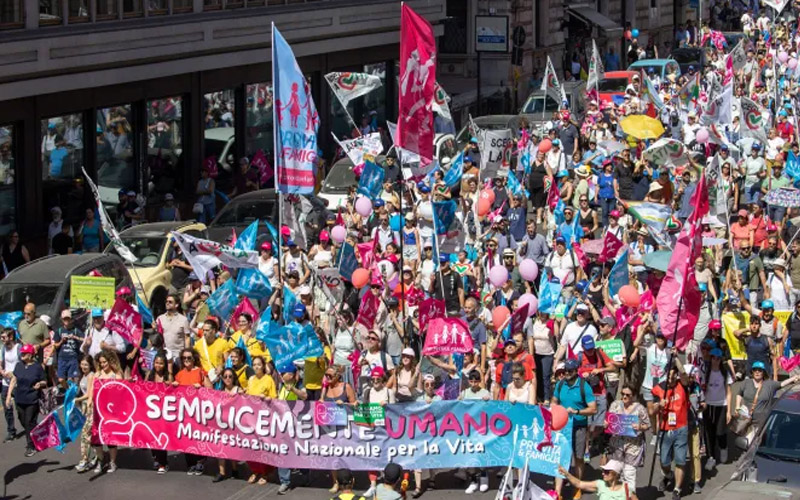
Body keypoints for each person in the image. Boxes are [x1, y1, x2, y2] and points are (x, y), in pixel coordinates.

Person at [552, 358, 597, 500]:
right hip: (563, 427)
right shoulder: (560, 384)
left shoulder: (584, 387)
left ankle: (577, 486)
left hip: (579, 427)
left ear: (576, 371)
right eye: (565, 370)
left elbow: (593, 409)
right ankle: (558, 491)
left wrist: (577, 412)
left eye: (570, 371)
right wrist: (554, 409)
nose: (566, 373)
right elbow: (554, 401)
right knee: (560, 456)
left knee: (578, 458)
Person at [651, 363, 691, 500]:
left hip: (681, 427)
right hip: (665, 429)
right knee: (664, 461)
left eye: (674, 375)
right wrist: (659, 406)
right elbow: (651, 410)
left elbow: (684, 373)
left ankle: (677, 489)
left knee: (680, 460)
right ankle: (669, 475)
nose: (671, 378)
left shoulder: (682, 384)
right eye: (669, 375)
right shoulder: (659, 388)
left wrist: (677, 358)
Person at [606, 384, 650, 493]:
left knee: (629, 473)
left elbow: (647, 425)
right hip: (617, 444)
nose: (624, 397)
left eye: (628, 395)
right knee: (617, 472)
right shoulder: (615, 405)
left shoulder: (640, 408)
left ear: (633, 396)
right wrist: (606, 424)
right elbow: (609, 421)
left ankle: (630, 495)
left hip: (633, 445)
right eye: (623, 394)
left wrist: (640, 427)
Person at [3, 344, 45, 457]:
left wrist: (40, 383)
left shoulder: (37, 367)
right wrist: (8, 396)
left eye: (24, 353)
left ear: (30, 355)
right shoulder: (19, 365)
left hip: (32, 398)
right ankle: (37, 432)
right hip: (20, 398)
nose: (22, 355)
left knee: (29, 421)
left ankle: (31, 446)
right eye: (22, 353)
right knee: (22, 420)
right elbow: (13, 380)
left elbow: (44, 381)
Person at [92, 349, 124, 473]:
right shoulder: (97, 375)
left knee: (111, 438)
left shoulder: (117, 376)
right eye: (101, 363)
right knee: (97, 438)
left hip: (111, 412)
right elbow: (92, 391)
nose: (103, 365)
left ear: (110, 361)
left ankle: (112, 462)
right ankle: (100, 461)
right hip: (98, 411)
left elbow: (121, 393)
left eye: (104, 362)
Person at [144, 352, 171, 473]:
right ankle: (155, 457)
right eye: (156, 363)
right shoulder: (149, 374)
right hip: (151, 411)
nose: (158, 365)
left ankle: (163, 463)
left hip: (163, 412)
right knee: (151, 436)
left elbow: (173, 392)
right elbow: (142, 389)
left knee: (161, 437)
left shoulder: (168, 376)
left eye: (161, 363)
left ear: (165, 365)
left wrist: (170, 385)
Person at [213, 367, 241, 482]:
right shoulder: (220, 391)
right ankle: (222, 472)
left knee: (232, 447)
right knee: (220, 446)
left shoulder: (238, 390)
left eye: (230, 376)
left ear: (234, 377)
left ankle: (235, 469)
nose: (228, 378)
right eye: (225, 376)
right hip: (222, 423)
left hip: (235, 424)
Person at [559, 460, 628, 500]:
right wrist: (566, 474)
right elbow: (579, 483)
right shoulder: (601, 484)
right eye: (603, 471)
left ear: (615, 474)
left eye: (606, 472)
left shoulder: (626, 489)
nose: (603, 473)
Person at [74, 354, 96, 473]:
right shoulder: (83, 375)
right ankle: (96, 455)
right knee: (89, 435)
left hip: (91, 407)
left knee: (85, 434)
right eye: (82, 364)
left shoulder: (91, 375)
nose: (83, 366)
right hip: (84, 407)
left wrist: (76, 399)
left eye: (86, 364)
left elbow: (88, 394)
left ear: (91, 365)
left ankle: (84, 460)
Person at [53, 309, 85, 390]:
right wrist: (61, 341)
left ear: (71, 319)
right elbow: (55, 345)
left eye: (68, 318)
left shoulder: (76, 330)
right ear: (62, 320)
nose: (66, 321)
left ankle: (72, 393)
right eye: (65, 319)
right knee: (61, 379)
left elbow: (84, 340)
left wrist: (75, 337)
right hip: (62, 358)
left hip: (73, 358)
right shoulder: (59, 331)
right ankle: (67, 390)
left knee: (72, 379)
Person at [157, 294, 190, 362]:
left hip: (178, 355)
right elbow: (157, 337)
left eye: (170, 302)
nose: (167, 303)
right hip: (164, 354)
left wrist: (187, 354)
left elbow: (187, 338)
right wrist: (154, 328)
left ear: (176, 305)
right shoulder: (160, 319)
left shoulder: (183, 320)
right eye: (166, 301)